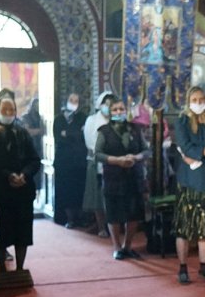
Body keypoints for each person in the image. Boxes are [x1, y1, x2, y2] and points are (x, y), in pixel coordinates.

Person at [0, 94, 40, 274]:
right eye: (4, 110)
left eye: (11, 110)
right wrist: (8, 176)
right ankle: (2, 270)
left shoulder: (22, 133)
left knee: (23, 233)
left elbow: (34, 159)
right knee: (2, 233)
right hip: (0, 191)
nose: (8, 113)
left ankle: (20, 268)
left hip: (22, 191)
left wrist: (24, 175)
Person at [173, 85, 205, 284]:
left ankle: (204, 267)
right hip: (189, 180)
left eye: (201, 100)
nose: (198, 103)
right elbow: (186, 147)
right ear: (188, 101)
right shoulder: (182, 121)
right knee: (185, 227)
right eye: (194, 100)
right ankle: (183, 267)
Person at [97, 97, 148, 259]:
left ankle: (128, 245)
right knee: (114, 213)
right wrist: (117, 160)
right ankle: (117, 247)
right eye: (115, 110)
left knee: (133, 212)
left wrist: (136, 157)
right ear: (110, 112)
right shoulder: (104, 131)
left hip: (133, 176)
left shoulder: (135, 128)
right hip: (113, 176)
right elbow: (98, 154)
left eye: (121, 109)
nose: (119, 112)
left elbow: (147, 151)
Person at [53, 92, 89, 227]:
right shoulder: (58, 119)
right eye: (71, 100)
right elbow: (59, 137)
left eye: (76, 100)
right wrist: (75, 134)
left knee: (79, 190)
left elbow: (83, 136)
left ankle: (80, 218)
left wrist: (67, 133)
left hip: (79, 162)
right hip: (64, 162)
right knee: (66, 190)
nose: (73, 102)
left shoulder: (83, 117)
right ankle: (69, 219)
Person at [82, 92, 114, 236]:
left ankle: (113, 225)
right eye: (106, 104)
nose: (109, 107)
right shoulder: (92, 120)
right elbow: (89, 141)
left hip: (113, 161)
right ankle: (101, 226)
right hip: (96, 161)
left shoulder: (115, 119)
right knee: (97, 196)